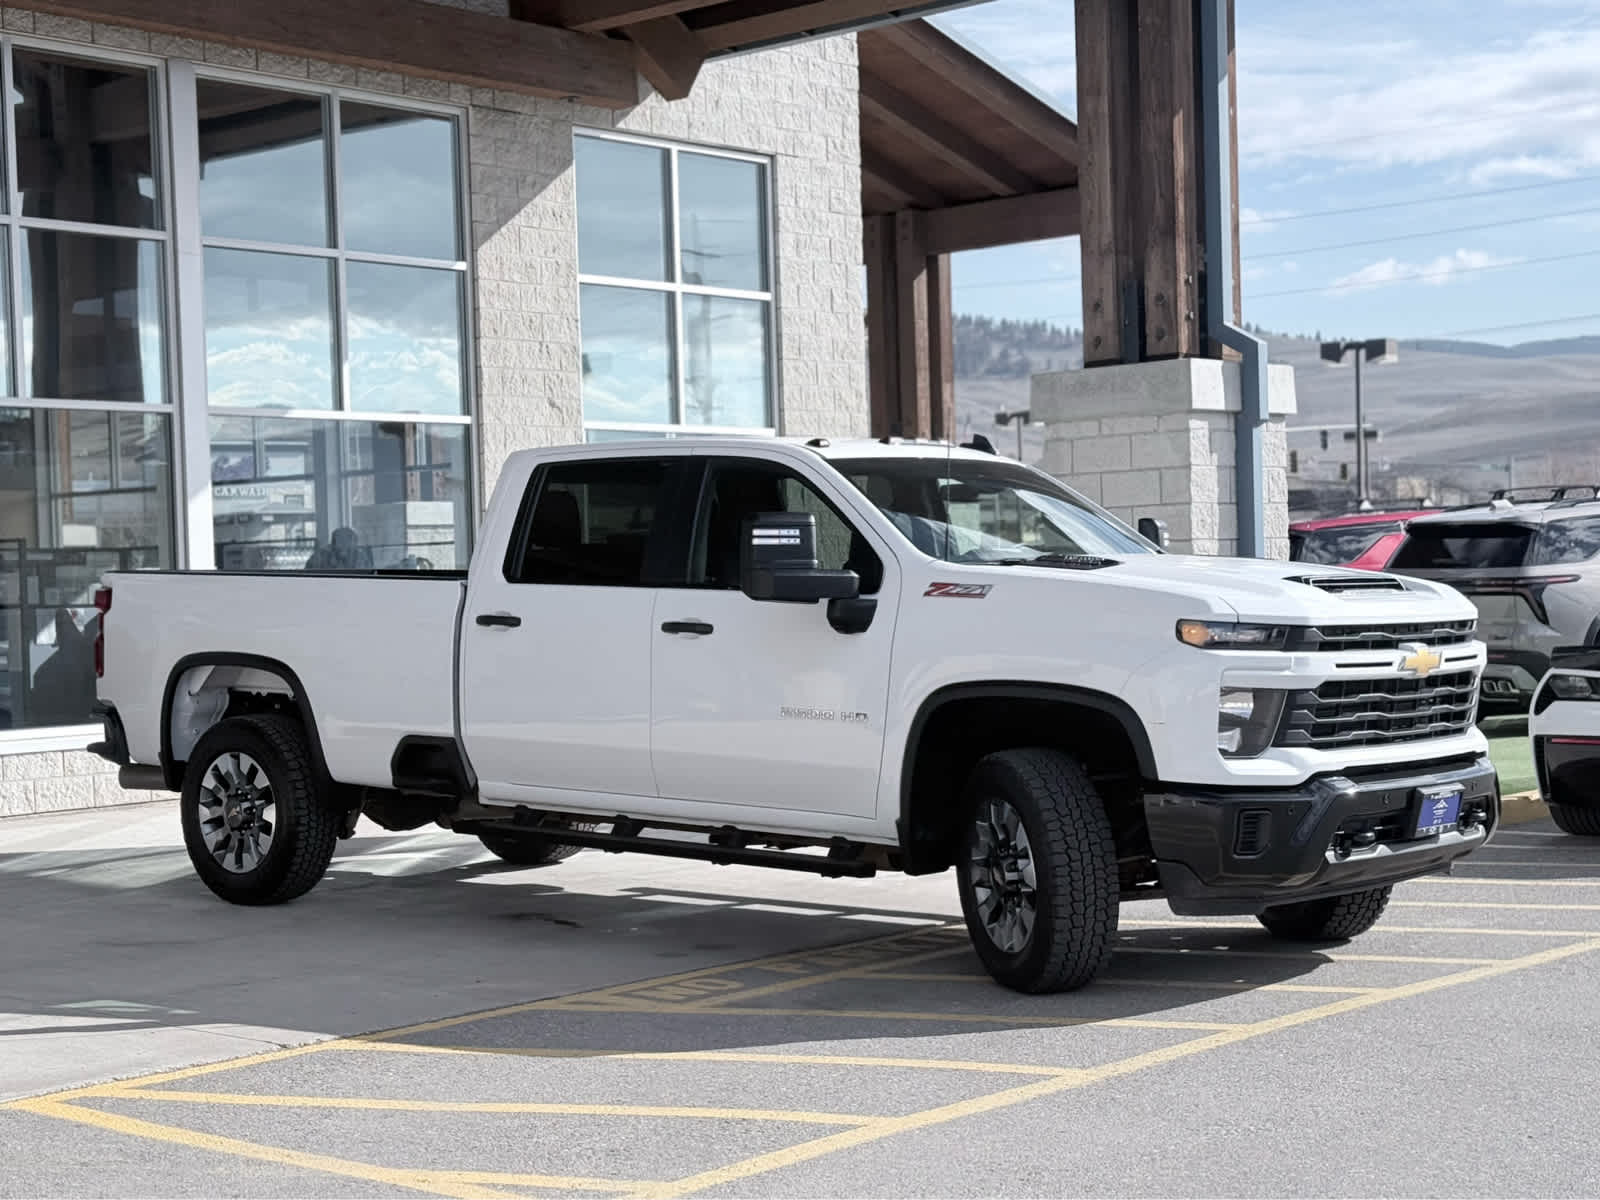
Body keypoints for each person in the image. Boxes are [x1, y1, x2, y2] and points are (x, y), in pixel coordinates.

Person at [304, 527, 373, 571]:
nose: (344, 545)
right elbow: (308, 575)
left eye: (349, 541)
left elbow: (367, 576)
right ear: (333, 544)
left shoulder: (360, 557)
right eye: (341, 541)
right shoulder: (320, 556)